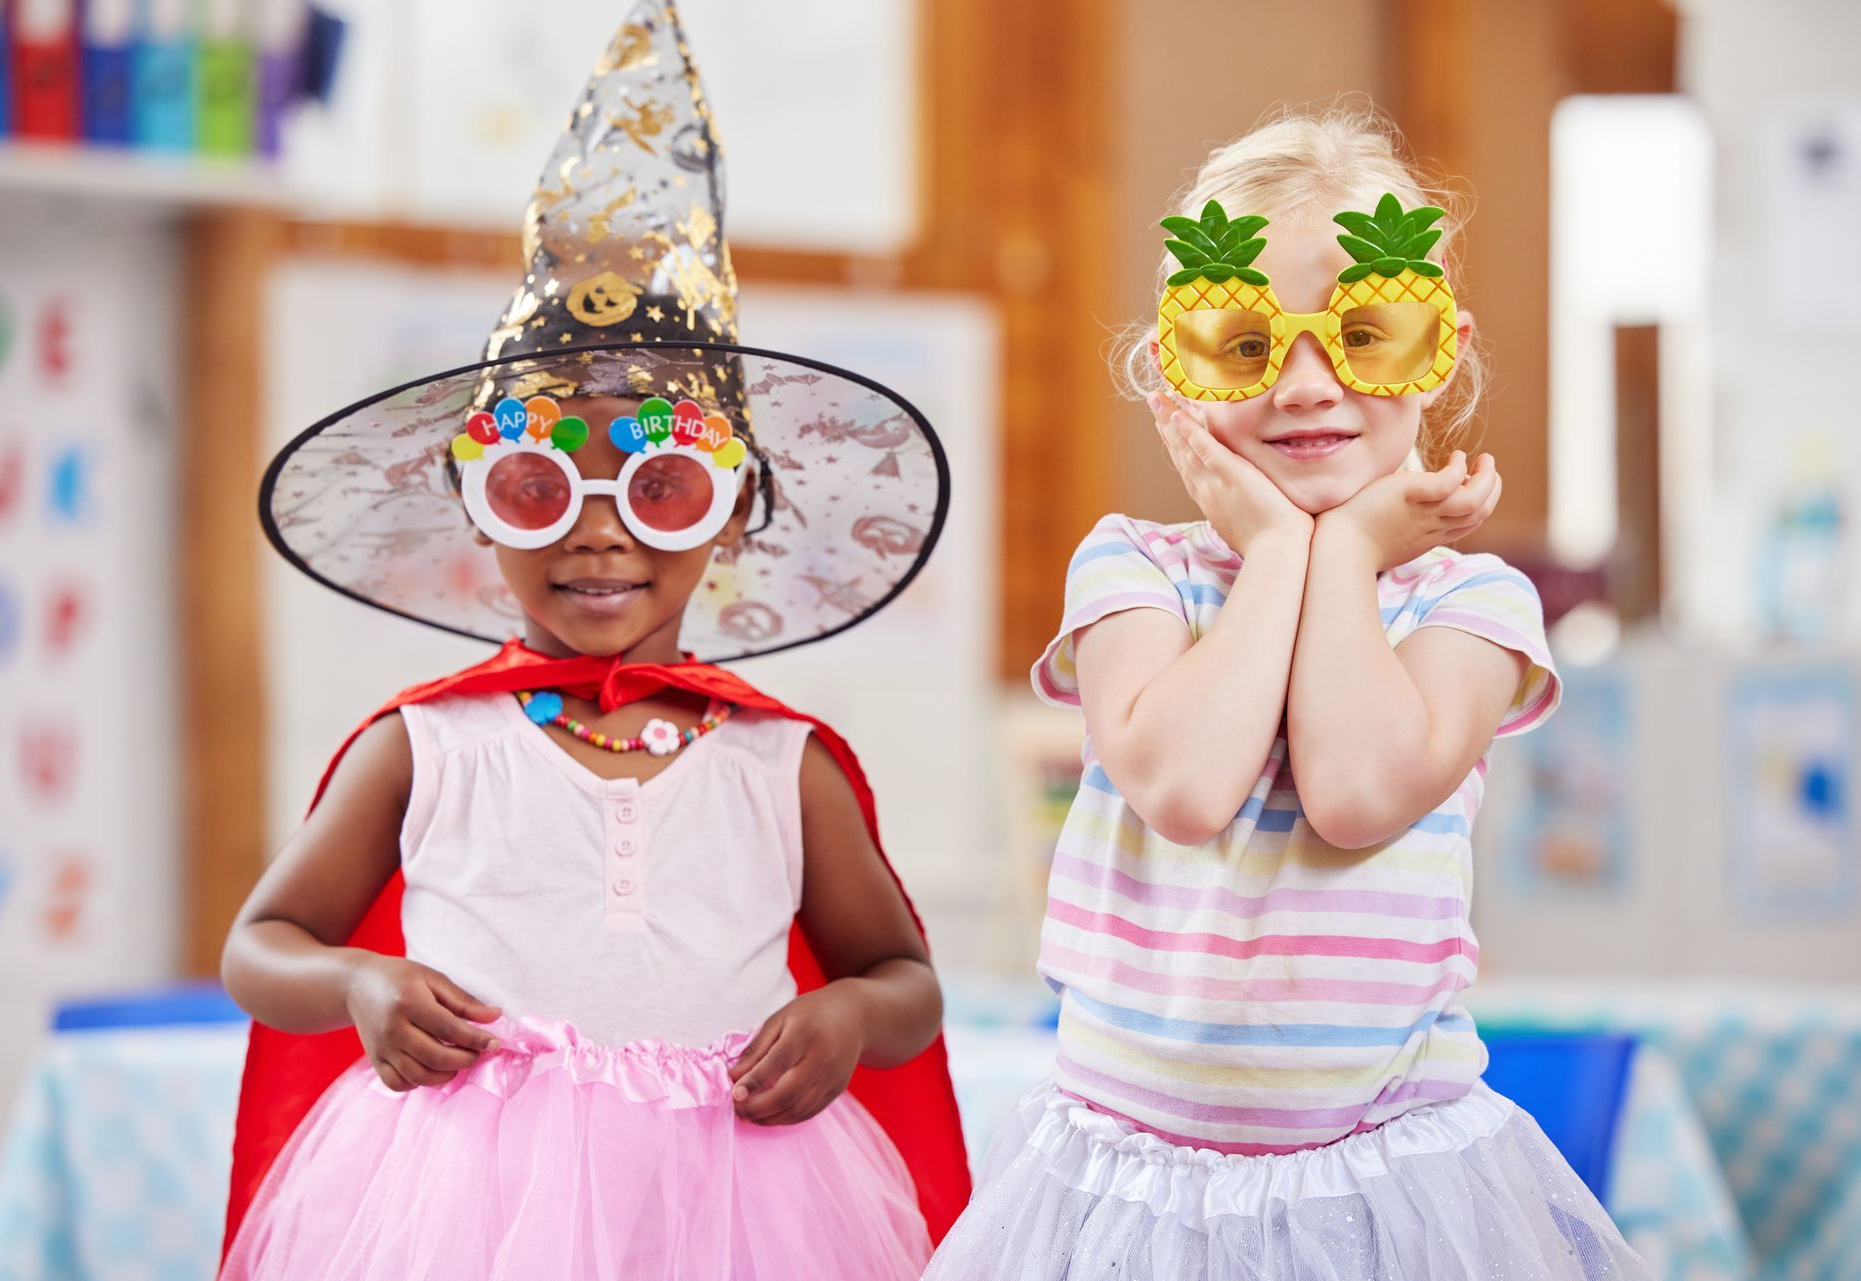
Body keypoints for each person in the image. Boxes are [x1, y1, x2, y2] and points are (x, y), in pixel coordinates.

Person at [216, 4, 968, 1276]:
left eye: (661, 487)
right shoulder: (425, 744)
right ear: (480, 509)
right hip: (464, 1208)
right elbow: (260, 946)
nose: (601, 534)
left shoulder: (783, 764)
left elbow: (903, 976)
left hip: (744, 1205)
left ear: (729, 517)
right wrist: (357, 986)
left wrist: (848, 1013)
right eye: (541, 489)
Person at [925, 106, 1654, 1279]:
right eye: (1244, 344)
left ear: (1442, 349)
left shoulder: (1472, 601)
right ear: (1177, 366)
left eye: (1367, 335)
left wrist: (1350, 551)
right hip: (1126, 1185)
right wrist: (1278, 552)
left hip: (1380, 1179)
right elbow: (1182, 784)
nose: (1309, 387)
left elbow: (1360, 789)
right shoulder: (1133, 568)